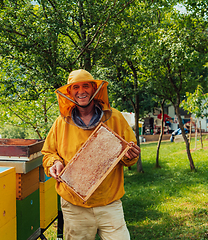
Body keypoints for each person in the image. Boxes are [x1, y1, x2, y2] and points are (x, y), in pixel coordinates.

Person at [41, 69, 140, 240]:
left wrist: (131, 155)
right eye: (76, 87)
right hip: (75, 206)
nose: (81, 91)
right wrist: (54, 163)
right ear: (69, 92)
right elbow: (49, 153)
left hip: (109, 203)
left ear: (94, 89)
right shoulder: (60, 124)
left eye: (86, 86)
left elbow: (129, 155)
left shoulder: (115, 118)